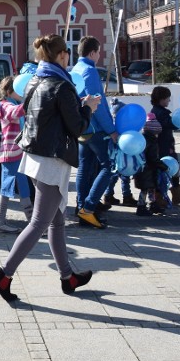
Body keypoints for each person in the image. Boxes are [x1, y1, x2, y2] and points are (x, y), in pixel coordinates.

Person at [0, 34, 99, 302]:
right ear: (62, 55)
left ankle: (67, 276)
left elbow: (46, 116)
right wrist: (89, 109)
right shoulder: (61, 84)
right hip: (51, 159)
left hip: (36, 156)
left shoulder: (36, 80)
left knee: (56, 222)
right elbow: (77, 127)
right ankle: (3, 276)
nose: (69, 57)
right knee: (39, 222)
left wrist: (78, 106)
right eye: (68, 53)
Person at [71, 36, 118, 227]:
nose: (99, 55)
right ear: (92, 53)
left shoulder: (75, 69)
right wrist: (111, 129)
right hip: (96, 129)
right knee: (109, 166)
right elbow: (97, 104)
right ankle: (88, 208)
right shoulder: (89, 71)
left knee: (85, 167)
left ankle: (82, 206)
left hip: (83, 127)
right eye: (99, 52)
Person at [0, 76, 29, 233]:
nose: (23, 92)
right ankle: (1, 221)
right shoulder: (6, 105)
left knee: (21, 185)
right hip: (11, 152)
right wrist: (32, 99)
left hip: (17, 151)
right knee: (7, 187)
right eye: (21, 90)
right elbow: (16, 113)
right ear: (10, 91)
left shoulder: (15, 102)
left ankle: (31, 221)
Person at [150, 86, 180, 206]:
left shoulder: (156, 111)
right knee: (168, 168)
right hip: (164, 145)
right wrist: (179, 121)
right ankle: (160, 197)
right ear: (161, 99)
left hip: (164, 144)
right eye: (168, 98)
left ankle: (176, 194)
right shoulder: (161, 113)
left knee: (174, 167)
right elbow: (170, 125)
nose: (169, 101)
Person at [133, 113, 168, 216]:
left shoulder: (142, 140)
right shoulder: (152, 142)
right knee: (145, 190)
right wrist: (163, 166)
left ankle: (153, 205)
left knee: (150, 189)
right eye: (157, 133)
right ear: (154, 132)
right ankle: (141, 207)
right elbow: (153, 159)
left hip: (143, 170)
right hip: (148, 171)